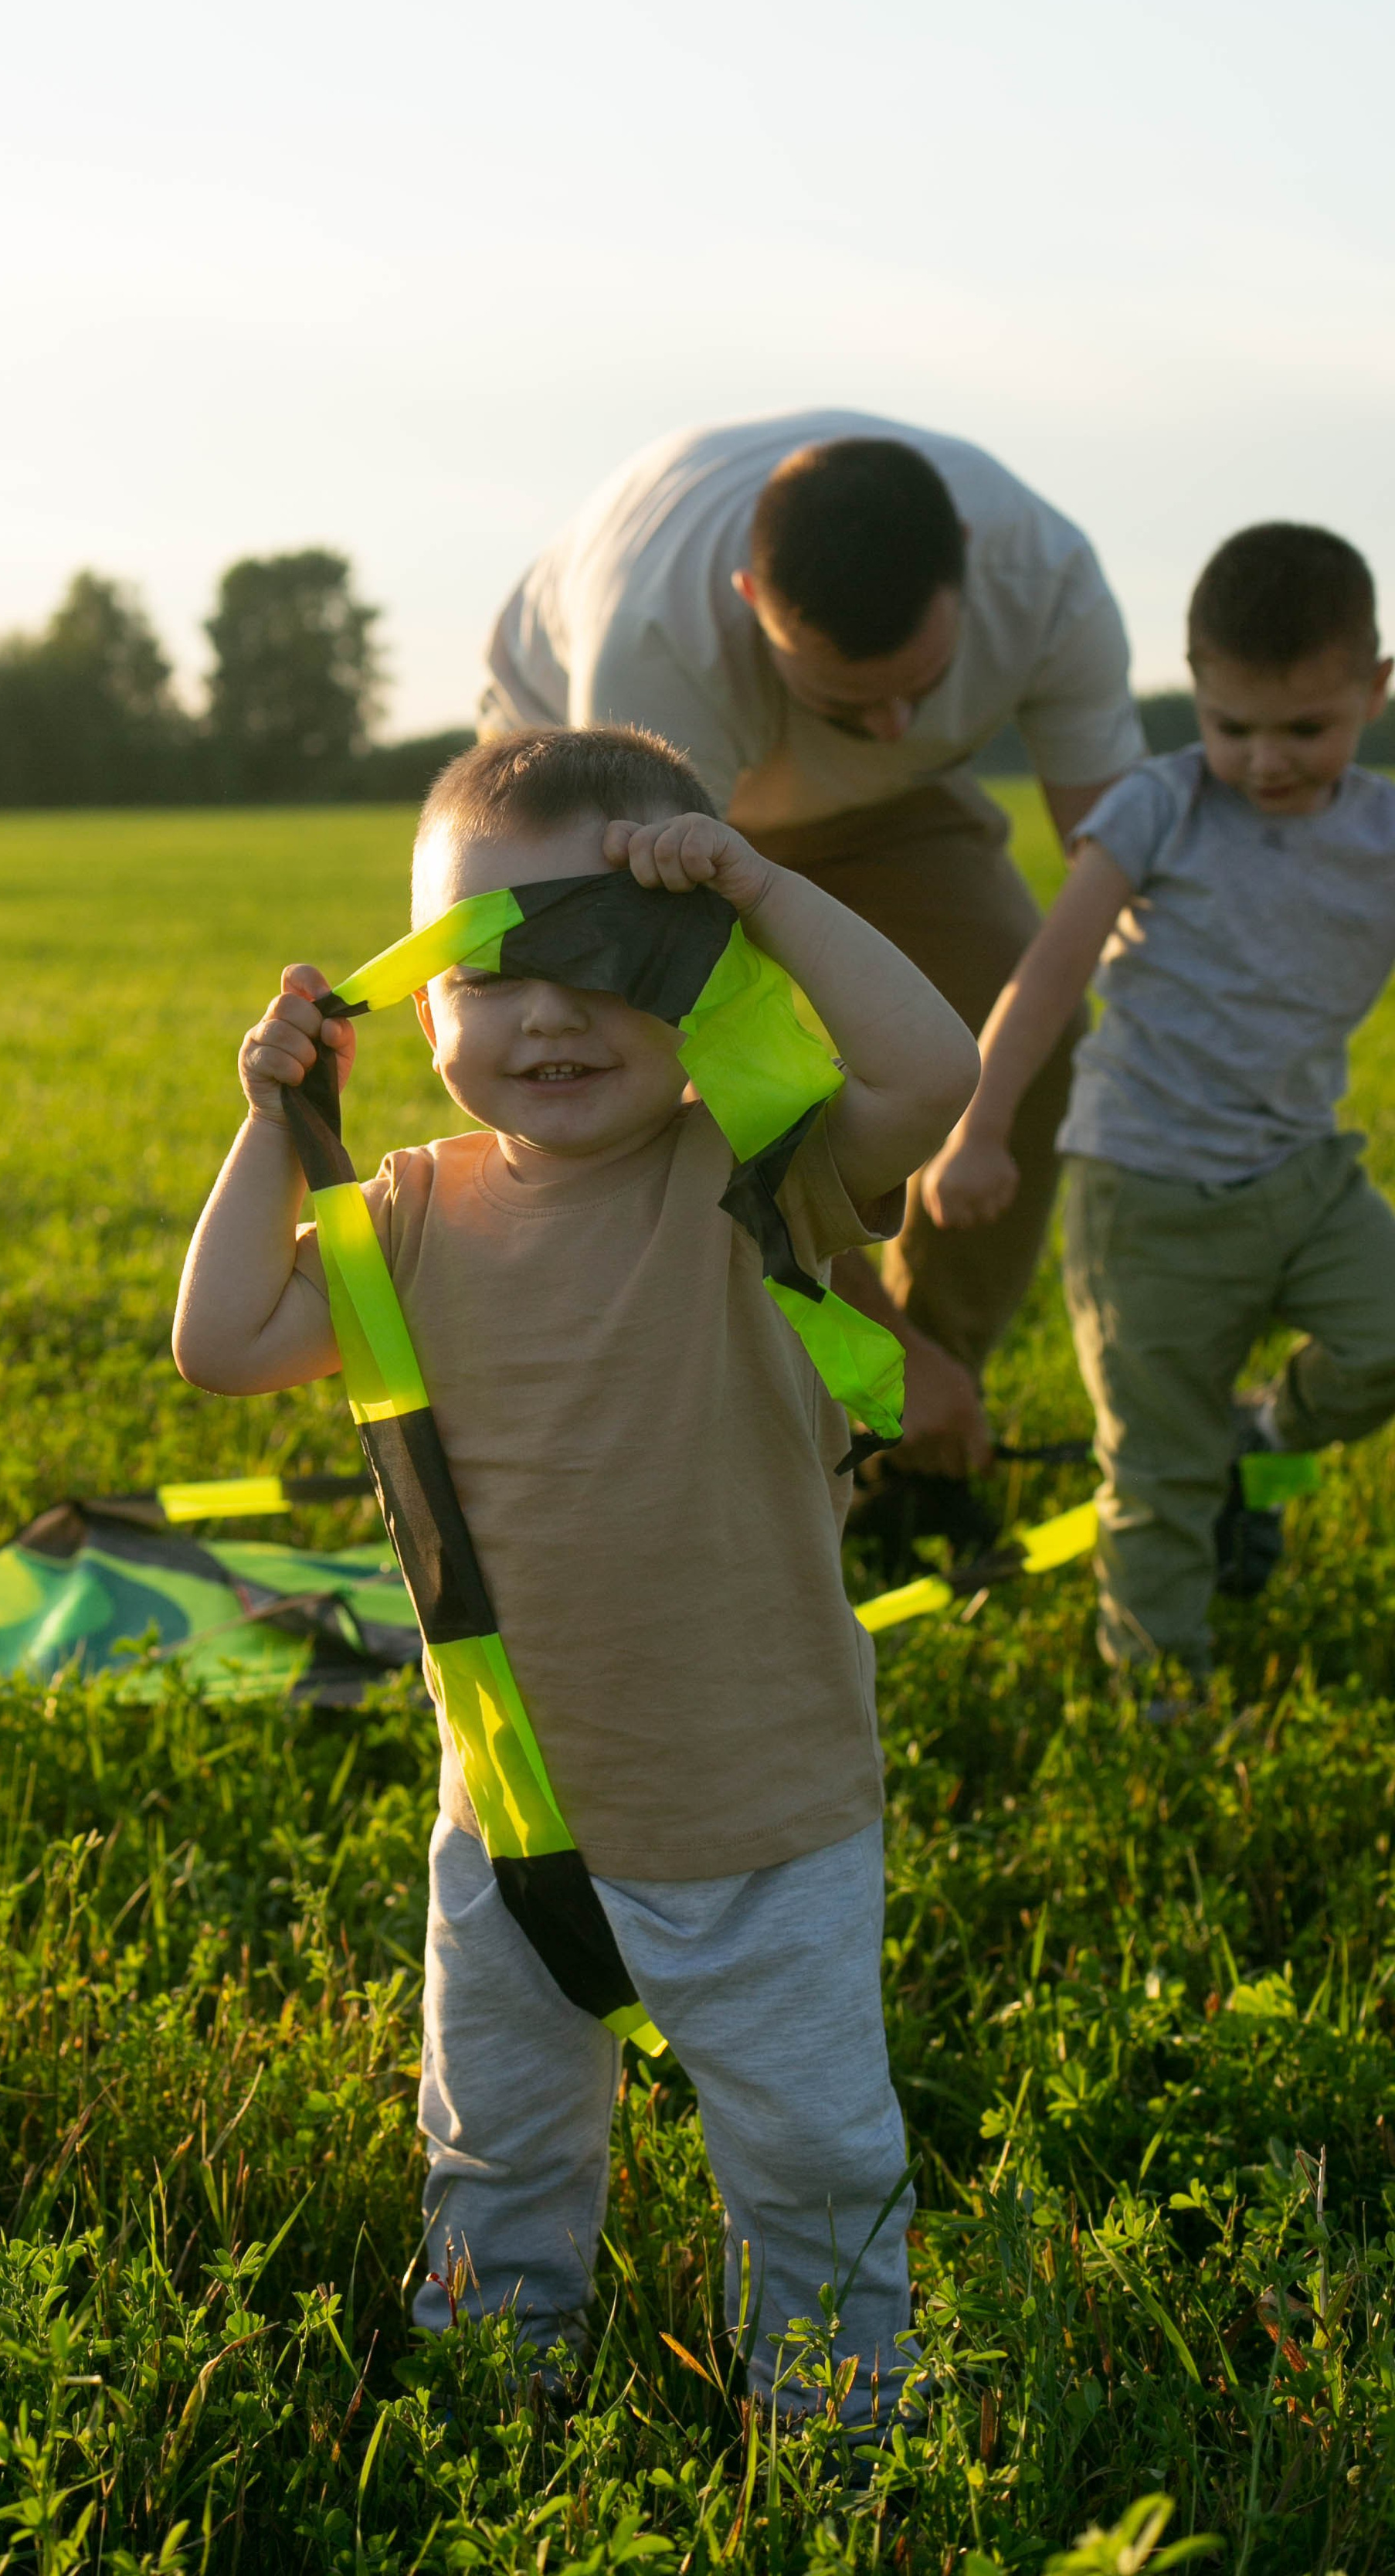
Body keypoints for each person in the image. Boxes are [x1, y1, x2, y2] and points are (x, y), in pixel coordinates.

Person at [173, 724, 978, 2435]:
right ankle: (491, 2395)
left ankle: (836, 2422)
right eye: (487, 971)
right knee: (494, 2144)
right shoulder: (402, 1212)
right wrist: (278, 1123)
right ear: (420, 1003)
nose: (546, 1016)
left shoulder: (753, 1171)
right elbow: (221, 1340)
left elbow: (930, 1073)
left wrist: (761, 891)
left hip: (762, 1813)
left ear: (694, 973)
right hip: (515, 1820)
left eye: (606, 960)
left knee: (811, 2154)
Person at [483, 413, 1146, 1487]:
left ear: (969, 573)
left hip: (892, 815)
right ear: (752, 604)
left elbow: (1117, 873)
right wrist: (865, 1329)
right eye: (850, 699)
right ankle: (774, 1407)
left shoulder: (1050, 576)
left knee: (1036, 1025)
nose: (894, 724)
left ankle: (906, 1441)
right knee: (629, 1097)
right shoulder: (658, 642)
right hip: (602, 798)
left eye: (922, 689)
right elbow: (694, 1022)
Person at [924, 523, 1395, 1682]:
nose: (1267, 760)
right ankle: (1160, 1691)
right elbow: (1049, 975)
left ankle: (1268, 1432)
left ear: (1376, 693)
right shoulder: (1161, 806)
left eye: (1306, 730)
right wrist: (980, 1127)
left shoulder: (1383, 833)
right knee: (1159, 1472)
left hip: (1306, 1173)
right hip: (1147, 1191)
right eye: (1233, 728)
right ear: (1197, 692)